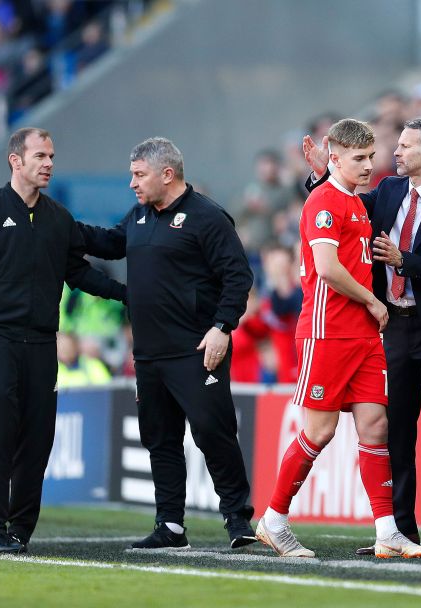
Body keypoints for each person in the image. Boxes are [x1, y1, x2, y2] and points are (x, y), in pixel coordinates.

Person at [0, 127, 127, 555]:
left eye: (52, 156)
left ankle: (20, 528)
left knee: (38, 438)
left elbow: (79, 273)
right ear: (15, 160)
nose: (48, 164)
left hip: (42, 344)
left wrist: (130, 295)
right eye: (40, 155)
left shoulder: (58, 219)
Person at [302, 117, 421, 551]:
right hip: (393, 326)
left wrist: (404, 260)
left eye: (404, 146)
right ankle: (398, 531)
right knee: (393, 431)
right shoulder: (388, 191)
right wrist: (322, 173)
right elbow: (340, 203)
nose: (394, 153)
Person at [256, 118, 421, 559]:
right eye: (359, 158)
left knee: (376, 426)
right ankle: (274, 519)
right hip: (327, 332)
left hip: (365, 337)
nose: (370, 165)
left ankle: (387, 530)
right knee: (320, 430)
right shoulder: (323, 202)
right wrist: (372, 301)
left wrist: (370, 311)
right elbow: (328, 269)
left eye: (371, 156)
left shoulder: (354, 201)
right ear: (336, 157)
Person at [76, 137, 257, 551]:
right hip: (149, 354)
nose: (132, 184)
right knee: (160, 439)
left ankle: (237, 519)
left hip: (196, 349)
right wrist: (63, 228)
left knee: (214, 432)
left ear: (167, 174)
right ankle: (170, 525)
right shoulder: (139, 216)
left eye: (139, 175)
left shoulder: (208, 217)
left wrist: (222, 326)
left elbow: (238, 277)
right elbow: (109, 243)